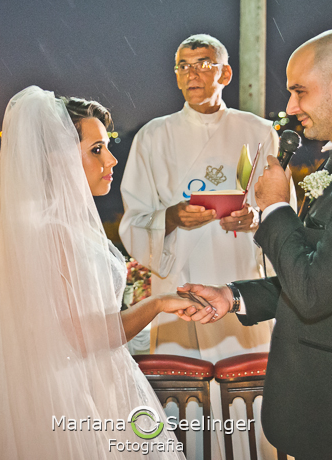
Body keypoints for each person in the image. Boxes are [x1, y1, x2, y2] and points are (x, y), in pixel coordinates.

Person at [182, 29, 332, 459]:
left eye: (299, 91)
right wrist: (233, 296)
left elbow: (313, 291)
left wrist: (277, 207)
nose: (292, 107)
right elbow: (318, 269)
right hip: (320, 407)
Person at [0, 86, 195, 459]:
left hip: (88, 384)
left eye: (107, 147)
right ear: (58, 159)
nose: (111, 160)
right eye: (96, 149)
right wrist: (158, 304)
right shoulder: (56, 233)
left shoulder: (59, 225)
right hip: (76, 396)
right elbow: (86, 338)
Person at [120, 34, 294, 459]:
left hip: (241, 285)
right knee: (186, 405)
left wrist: (254, 219)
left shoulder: (257, 131)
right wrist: (172, 217)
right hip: (178, 286)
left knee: (248, 403)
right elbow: (133, 220)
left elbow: (279, 206)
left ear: (225, 73)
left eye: (203, 63)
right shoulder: (152, 136)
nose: (192, 73)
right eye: (183, 65)